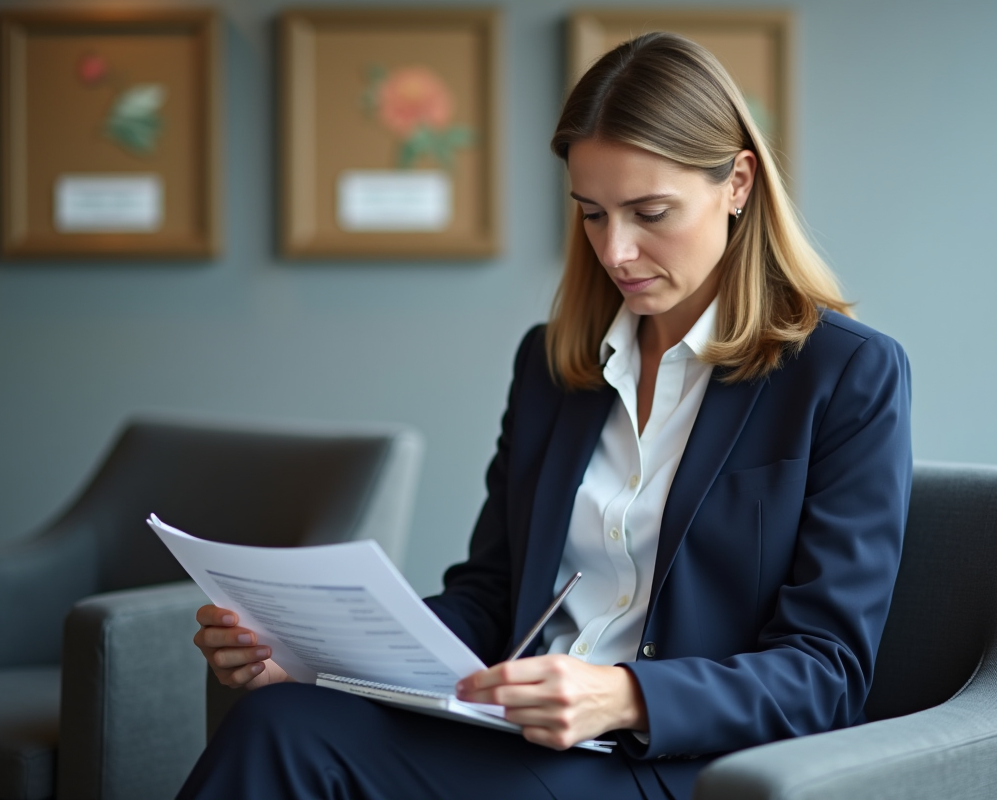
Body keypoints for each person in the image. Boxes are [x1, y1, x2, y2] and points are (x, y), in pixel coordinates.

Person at [179, 31, 912, 800]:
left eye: (650, 212)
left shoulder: (844, 374)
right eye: (592, 214)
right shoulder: (553, 367)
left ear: (737, 183)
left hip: (677, 762)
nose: (617, 250)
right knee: (277, 720)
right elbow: (492, 594)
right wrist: (313, 654)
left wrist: (625, 696)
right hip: (512, 731)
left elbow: (828, 670)